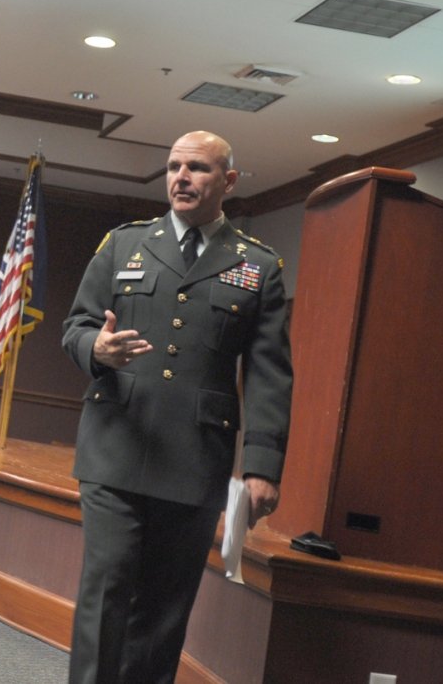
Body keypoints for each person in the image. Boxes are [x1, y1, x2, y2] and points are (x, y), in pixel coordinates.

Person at [60, 130, 292, 683]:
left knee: (165, 609)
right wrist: (96, 347)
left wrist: (261, 466)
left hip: (195, 457)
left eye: (198, 169)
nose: (181, 178)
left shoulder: (258, 266)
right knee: (107, 587)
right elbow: (77, 326)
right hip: (116, 444)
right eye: (173, 167)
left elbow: (268, 371)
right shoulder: (123, 244)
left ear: (228, 181)